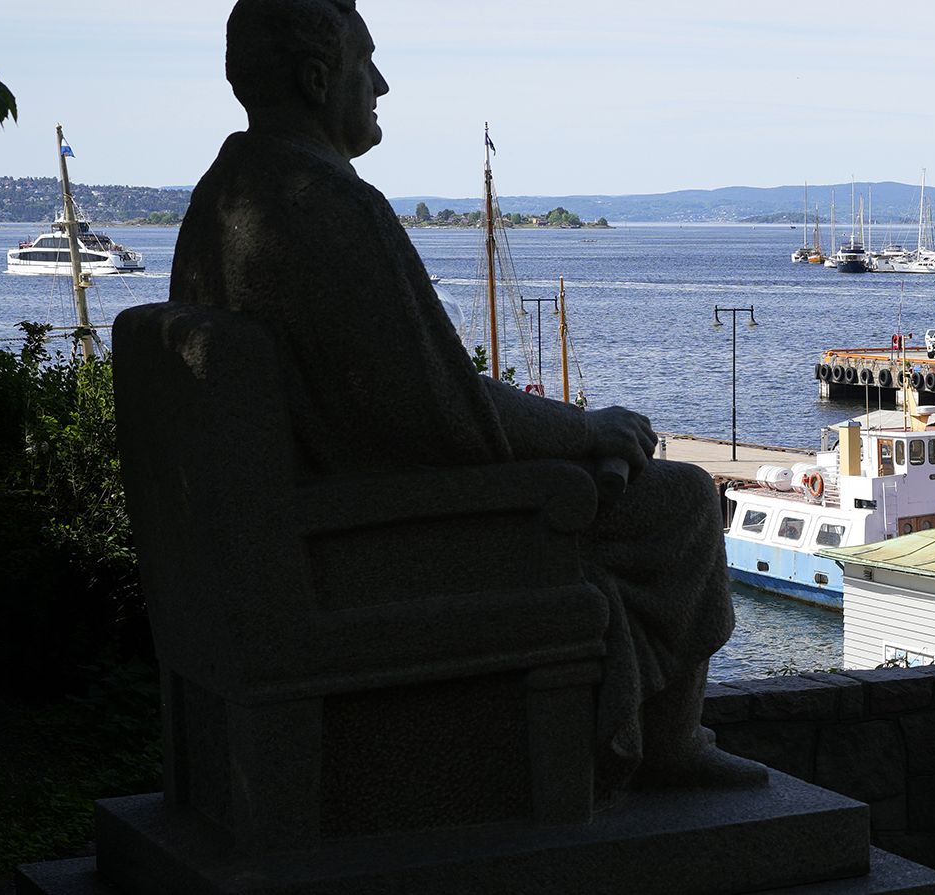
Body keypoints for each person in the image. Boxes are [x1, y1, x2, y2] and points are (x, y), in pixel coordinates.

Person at [174, 0, 762, 794]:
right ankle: (664, 742)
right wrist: (589, 430)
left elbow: (417, 397)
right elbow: (452, 413)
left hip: (308, 528)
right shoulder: (328, 207)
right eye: (365, 64)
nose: (380, 84)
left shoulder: (223, 200)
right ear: (318, 79)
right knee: (685, 500)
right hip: (378, 548)